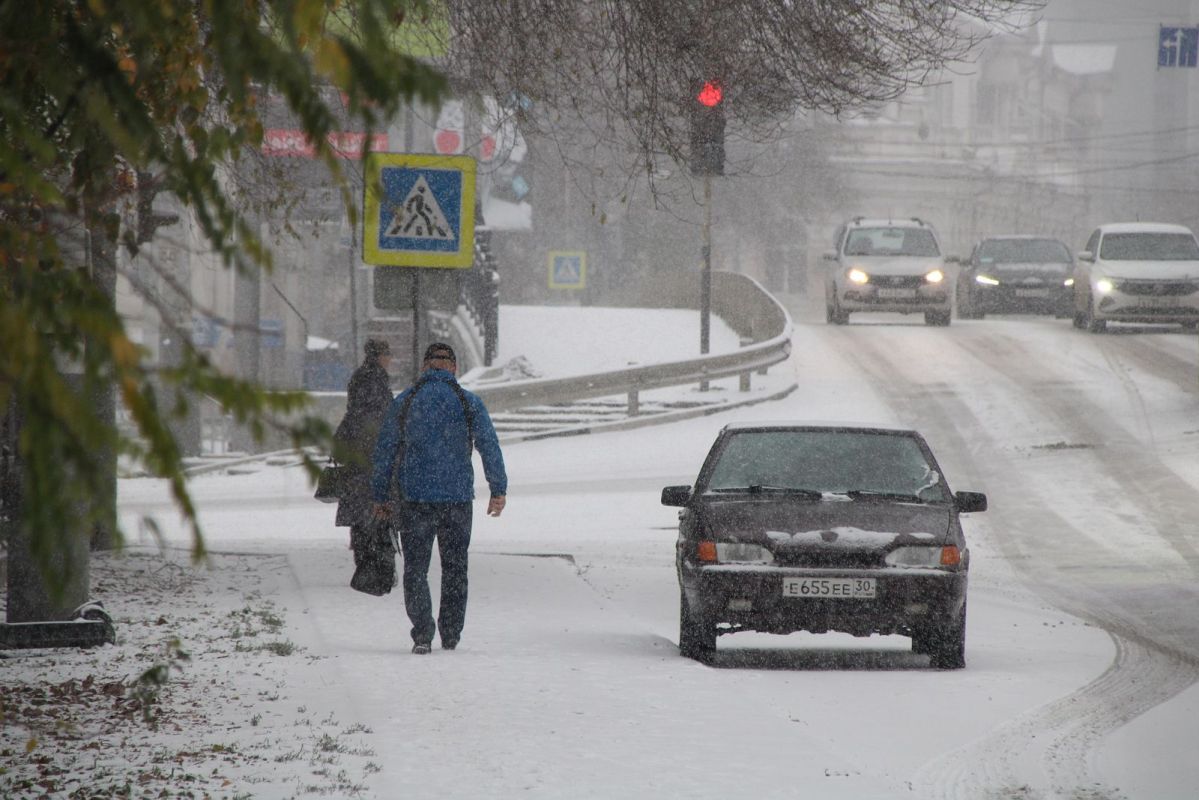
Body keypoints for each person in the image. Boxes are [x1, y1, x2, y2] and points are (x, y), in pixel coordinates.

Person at [371, 342, 507, 654]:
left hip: (416, 497)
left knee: (416, 568)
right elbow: (488, 444)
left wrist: (380, 493)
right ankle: (451, 632)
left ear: (424, 366)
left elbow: (385, 450)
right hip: (457, 498)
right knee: (456, 567)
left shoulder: (407, 401)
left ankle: (422, 632)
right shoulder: (467, 401)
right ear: (454, 368)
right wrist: (497, 488)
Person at [335, 338, 394, 567]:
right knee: (376, 503)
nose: (390, 359)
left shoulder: (359, 376)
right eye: (387, 354)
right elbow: (382, 415)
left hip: (355, 450)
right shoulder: (377, 380)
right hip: (372, 452)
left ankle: (362, 555)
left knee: (359, 506)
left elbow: (354, 412)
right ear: (380, 356)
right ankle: (374, 559)